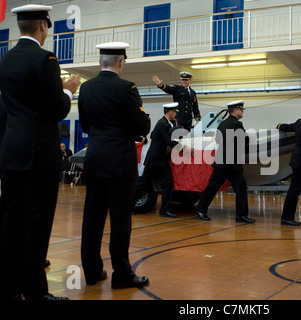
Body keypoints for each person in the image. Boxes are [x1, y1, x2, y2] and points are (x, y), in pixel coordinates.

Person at [0, 4, 81, 301]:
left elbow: (23, 102)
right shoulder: (45, 59)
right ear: (44, 26)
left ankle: (9, 287)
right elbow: (58, 108)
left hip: (11, 151)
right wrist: (69, 89)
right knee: (37, 224)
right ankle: (35, 291)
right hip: (38, 155)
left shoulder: (6, 59)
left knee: (10, 222)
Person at [78, 42, 150, 289]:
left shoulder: (86, 88)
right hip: (120, 162)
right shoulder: (127, 88)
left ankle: (91, 271)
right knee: (120, 220)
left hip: (95, 160)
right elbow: (143, 126)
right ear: (121, 61)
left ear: (100, 62)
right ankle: (122, 275)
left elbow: (86, 125)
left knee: (92, 218)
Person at [196, 100, 255, 223]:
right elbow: (245, 141)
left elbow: (217, 140)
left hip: (222, 161)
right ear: (236, 110)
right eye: (241, 110)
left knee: (213, 187)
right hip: (231, 162)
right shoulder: (237, 125)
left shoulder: (222, 124)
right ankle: (241, 215)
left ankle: (201, 209)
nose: (242, 112)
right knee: (240, 188)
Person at [133, 102, 192, 218]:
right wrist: (184, 148)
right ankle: (128, 206)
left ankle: (165, 210)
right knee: (142, 184)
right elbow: (168, 141)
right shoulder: (162, 124)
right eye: (174, 112)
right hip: (155, 160)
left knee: (167, 184)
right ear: (170, 112)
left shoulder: (168, 124)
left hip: (161, 161)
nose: (175, 114)